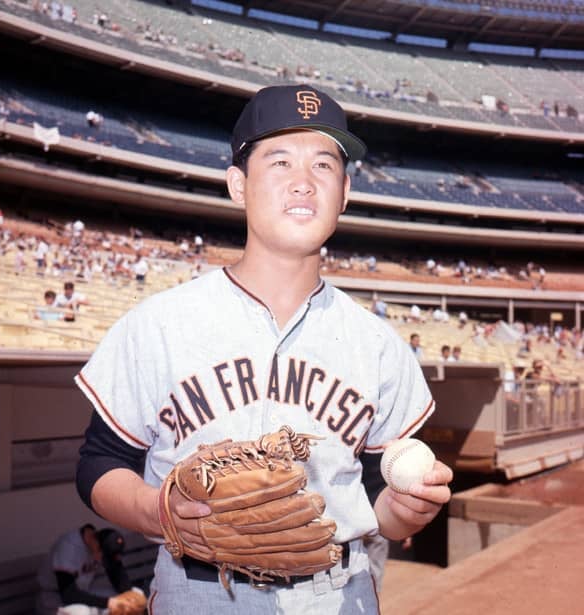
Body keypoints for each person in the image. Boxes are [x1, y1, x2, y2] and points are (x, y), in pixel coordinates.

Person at [75, 84, 452, 614]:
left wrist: (403, 511)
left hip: (337, 592)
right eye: (279, 161)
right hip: (198, 590)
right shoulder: (157, 324)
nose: (303, 181)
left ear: (344, 192)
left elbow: (375, 500)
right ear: (238, 184)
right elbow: (99, 464)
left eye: (323, 165)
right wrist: (157, 509)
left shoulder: (380, 346)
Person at [36, 524, 134, 614]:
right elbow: (69, 595)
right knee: (82, 612)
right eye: (106, 558)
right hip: (53, 599)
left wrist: (129, 596)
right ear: (97, 546)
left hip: (83, 593)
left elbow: (121, 583)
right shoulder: (69, 547)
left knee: (131, 596)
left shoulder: (100, 546)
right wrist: (108, 603)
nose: (106, 561)